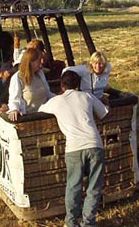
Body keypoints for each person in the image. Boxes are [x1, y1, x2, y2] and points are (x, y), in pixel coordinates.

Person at [39, 70, 109, 227]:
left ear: (62, 86)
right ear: (78, 85)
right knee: (94, 187)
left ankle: (71, 222)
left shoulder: (56, 101)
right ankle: (88, 222)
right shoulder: (87, 96)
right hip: (94, 144)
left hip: (73, 148)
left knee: (73, 186)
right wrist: (106, 100)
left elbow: (39, 110)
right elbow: (104, 113)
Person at [7, 48, 54, 122]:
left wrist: (60, 99)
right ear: (31, 62)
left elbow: (47, 93)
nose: (41, 62)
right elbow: (14, 98)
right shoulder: (18, 78)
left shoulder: (40, 74)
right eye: (39, 60)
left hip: (44, 115)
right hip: (29, 117)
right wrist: (14, 109)